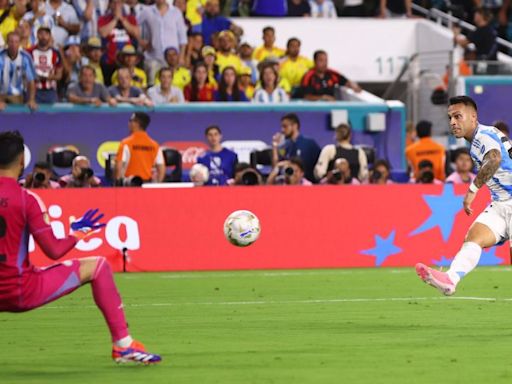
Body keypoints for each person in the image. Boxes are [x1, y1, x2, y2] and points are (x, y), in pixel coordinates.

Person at [0, 131, 161, 364]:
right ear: (22, 161)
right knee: (97, 267)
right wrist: (76, 233)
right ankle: (123, 346)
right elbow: (53, 250)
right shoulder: (27, 199)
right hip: (20, 291)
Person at [416, 96, 512, 296]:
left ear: (473, 117)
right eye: (450, 117)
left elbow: (494, 160)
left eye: (458, 116)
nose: (453, 122)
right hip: (501, 203)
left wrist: (472, 191)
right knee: (473, 237)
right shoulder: (480, 138)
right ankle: (450, 279)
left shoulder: (484, 136)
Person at [138, 0, 187, 85]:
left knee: (172, 84)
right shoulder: (147, 11)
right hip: (154, 57)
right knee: (153, 84)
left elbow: (182, 37)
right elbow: (135, 24)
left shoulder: (176, 12)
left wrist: (182, 57)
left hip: (172, 59)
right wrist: (141, 41)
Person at [115, 112, 165, 184]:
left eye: (130, 120)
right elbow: (161, 168)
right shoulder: (155, 145)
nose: (129, 123)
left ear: (136, 123)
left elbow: (119, 166)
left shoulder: (126, 143)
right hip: (147, 185)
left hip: (129, 184)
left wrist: (118, 184)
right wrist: (158, 184)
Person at [98, 0, 140, 85]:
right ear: (110, 4)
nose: (116, 5)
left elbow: (136, 33)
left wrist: (122, 19)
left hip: (127, 62)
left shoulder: (130, 18)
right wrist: (115, 19)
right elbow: (103, 33)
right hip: (110, 62)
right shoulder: (103, 19)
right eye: (114, 2)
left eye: (119, 2)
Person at [272, 113, 321, 183]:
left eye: (285, 126)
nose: (282, 130)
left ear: (295, 126)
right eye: (282, 127)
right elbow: (276, 167)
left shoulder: (309, 144)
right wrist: (275, 146)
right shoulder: (284, 147)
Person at [0, 31, 37, 111]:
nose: (13, 44)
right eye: (11, 42)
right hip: (1, 94)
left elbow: (31, 81)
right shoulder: (1, 57)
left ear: (19, 43)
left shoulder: (25, 57)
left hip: (17, 96)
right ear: (7, 43)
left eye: (16, 42)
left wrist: (31, 99)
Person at [27, 25, 63, 104]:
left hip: (50, 91)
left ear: (50, 36)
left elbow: (59, 75)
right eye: (41, 34)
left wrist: (48, 78)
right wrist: (34, 77)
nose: (43, 36)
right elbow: (24, 72)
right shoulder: (29, 53)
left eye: (46, 34)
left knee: (52, 115)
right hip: (34, 90)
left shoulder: (55, 53)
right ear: (37, 35)